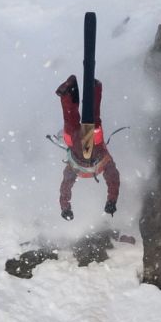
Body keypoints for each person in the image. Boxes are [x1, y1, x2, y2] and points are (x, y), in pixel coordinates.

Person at [55, 74, 120, 220]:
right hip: (86, 143)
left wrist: (65, 207)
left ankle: (80, 91)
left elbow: (65, 187)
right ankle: (79, 92)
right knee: (80, 123)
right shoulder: (100, 165)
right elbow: (113, 178)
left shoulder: (74, 169)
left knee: (76, 124)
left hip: (81, 143)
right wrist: (111, 200)